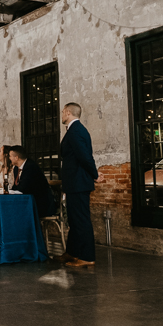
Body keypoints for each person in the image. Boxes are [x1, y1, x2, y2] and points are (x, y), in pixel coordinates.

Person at [58, 102, 101, 268]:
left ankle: (87, 256)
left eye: (63, 112)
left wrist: (95, 175)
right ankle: (73, 252)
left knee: (81, 220)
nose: (62, 114)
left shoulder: (76, 131)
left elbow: (85, 157)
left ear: (68, 112)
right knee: (74, 220)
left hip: (78, 183)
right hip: (74, 183)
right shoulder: (74, 130)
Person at [8, 146, 56, 217]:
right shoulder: (16, 168)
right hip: (25, 200)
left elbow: (24, 188)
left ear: (16, 157)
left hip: (39, 202)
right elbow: (16, 185)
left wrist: (11, 192)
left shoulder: (30, 167)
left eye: (10, 156)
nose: (9, 158)